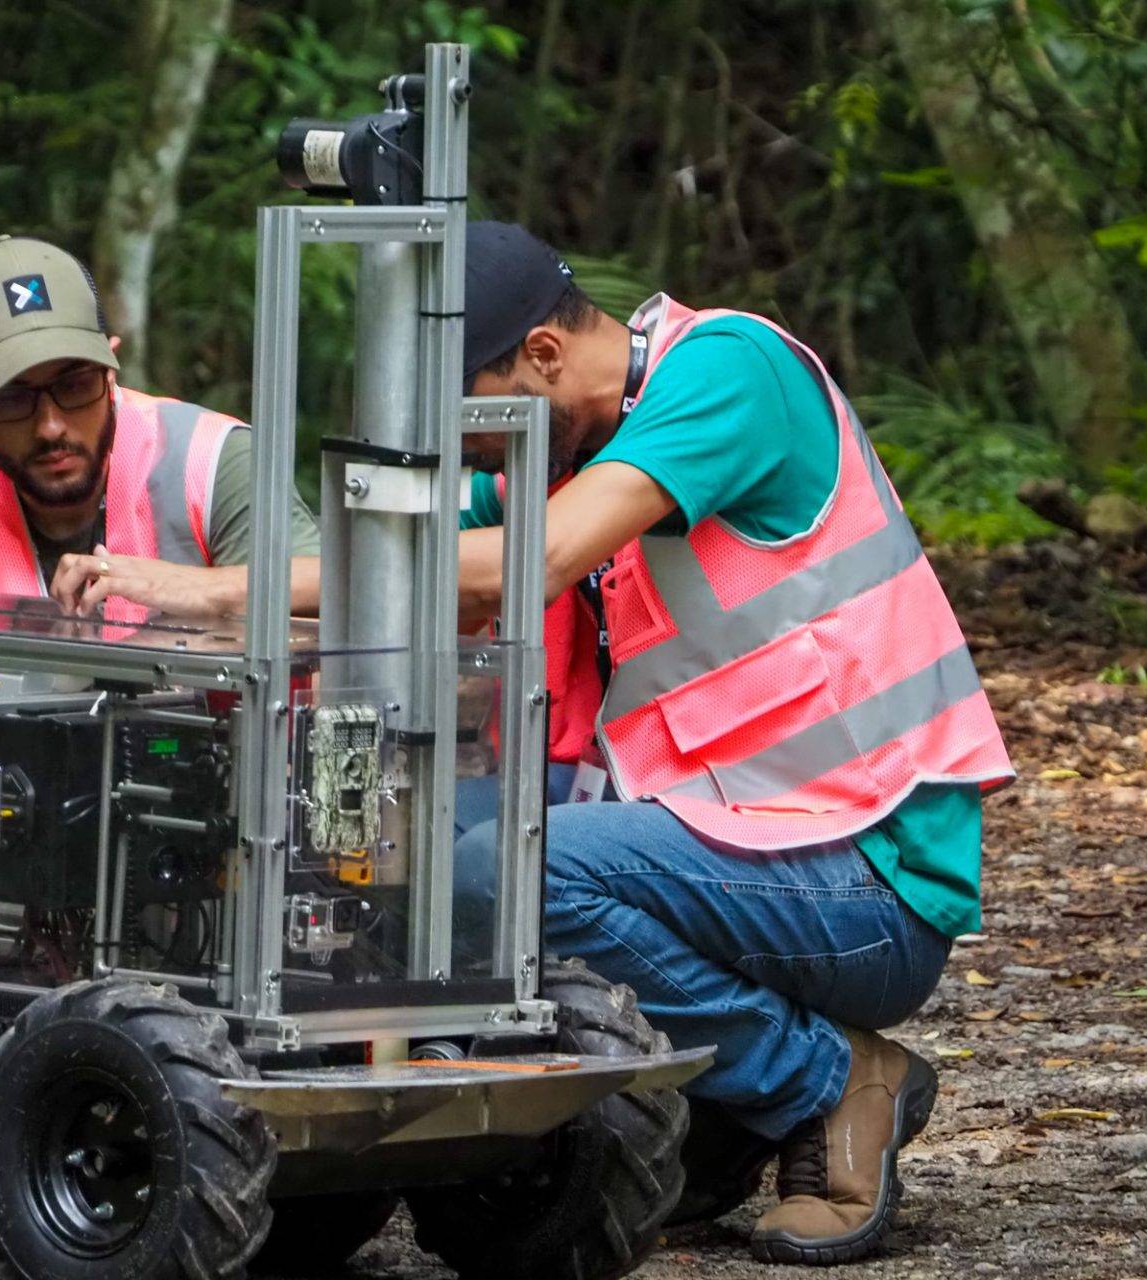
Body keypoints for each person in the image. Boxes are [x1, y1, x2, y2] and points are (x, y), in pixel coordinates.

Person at [53, 221, 1015, 1266]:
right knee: (373, 847)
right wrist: (189, 595)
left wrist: (218, 590)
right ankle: (683, 1111)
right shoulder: (563, 445)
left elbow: (534, 559)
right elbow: (398, 563)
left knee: (501, 872)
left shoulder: (729, 372)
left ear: (544, 356)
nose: (468, 451)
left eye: (469, 419)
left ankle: (829, 1081)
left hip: (867, 875)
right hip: (732, 835)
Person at [0, 235, 318, 596]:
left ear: (110, 369)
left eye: (75, 385)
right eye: (13, 398)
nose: (51, 426)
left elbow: (332, 585)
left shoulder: (211, 461)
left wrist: (196, 588)